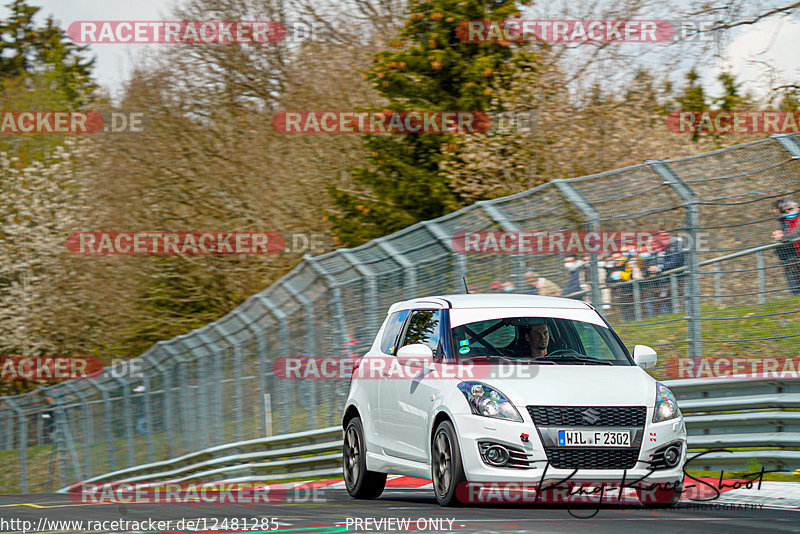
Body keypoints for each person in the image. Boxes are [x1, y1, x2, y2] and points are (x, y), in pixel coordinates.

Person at [646, 231, 686, 314]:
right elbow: (653, 263)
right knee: (665, 300)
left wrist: (659, 268)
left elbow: (676, 261)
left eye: (665, 236)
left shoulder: (676, 243)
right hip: (665, 281)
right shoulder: (659, 250)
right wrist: (651, 268)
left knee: (680, 299)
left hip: (680, 277)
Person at [772, 199, 800, 295]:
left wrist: (783, 237)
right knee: (793, 273)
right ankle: (796, 295)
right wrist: (778, 234)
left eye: (790, 209)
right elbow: (781, 231)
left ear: (797, 207)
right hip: (794, 254)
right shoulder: (785, 221)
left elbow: (797, 233)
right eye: (784, 211)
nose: (787, 212)